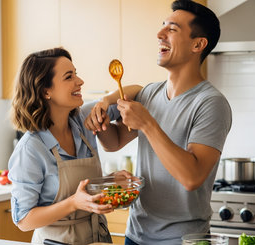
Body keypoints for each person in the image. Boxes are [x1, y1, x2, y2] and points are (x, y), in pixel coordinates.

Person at [84, 0, 232, 244]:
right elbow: (115, 142)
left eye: (172, 29)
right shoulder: (151, 94)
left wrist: (148, 124)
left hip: (182, 239)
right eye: (162, 26)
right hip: (137, 234)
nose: (159, 34)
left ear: (198, 44)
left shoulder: (211, 103)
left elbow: (192, 177)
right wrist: (100, 121)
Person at [8, 47, 140, 245]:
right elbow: (24, 220)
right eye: (69, 77)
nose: (80, 81)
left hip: (97, 238)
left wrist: (106, 183)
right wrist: (73, 203)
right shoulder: (31, 149)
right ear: (46, 91)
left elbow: (139, 92)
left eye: (76, 74)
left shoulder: (83, 119)